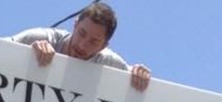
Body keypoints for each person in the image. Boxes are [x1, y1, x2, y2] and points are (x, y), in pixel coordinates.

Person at [10, 2, 152, 91]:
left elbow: (136, 75)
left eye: (94, 42)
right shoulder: (40, 38)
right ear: (75, 25)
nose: (82, 45)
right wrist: (26, 53)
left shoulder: (109, 63)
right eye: (82, 33)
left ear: (103, 46)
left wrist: (141, 74)